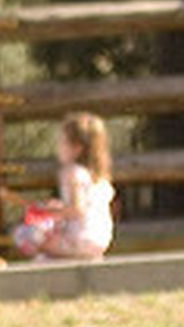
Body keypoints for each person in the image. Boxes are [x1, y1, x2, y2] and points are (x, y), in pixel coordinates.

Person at [13, 112, 116, 261]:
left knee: (25, 234)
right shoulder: (99, 177)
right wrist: (59, 207)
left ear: (77, 148)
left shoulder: (72, 172)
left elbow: (77, 209)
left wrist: (46, 211)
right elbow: (86, 207)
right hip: (100, 240)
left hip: (78, 239)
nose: (59, 147)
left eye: (63, 142)